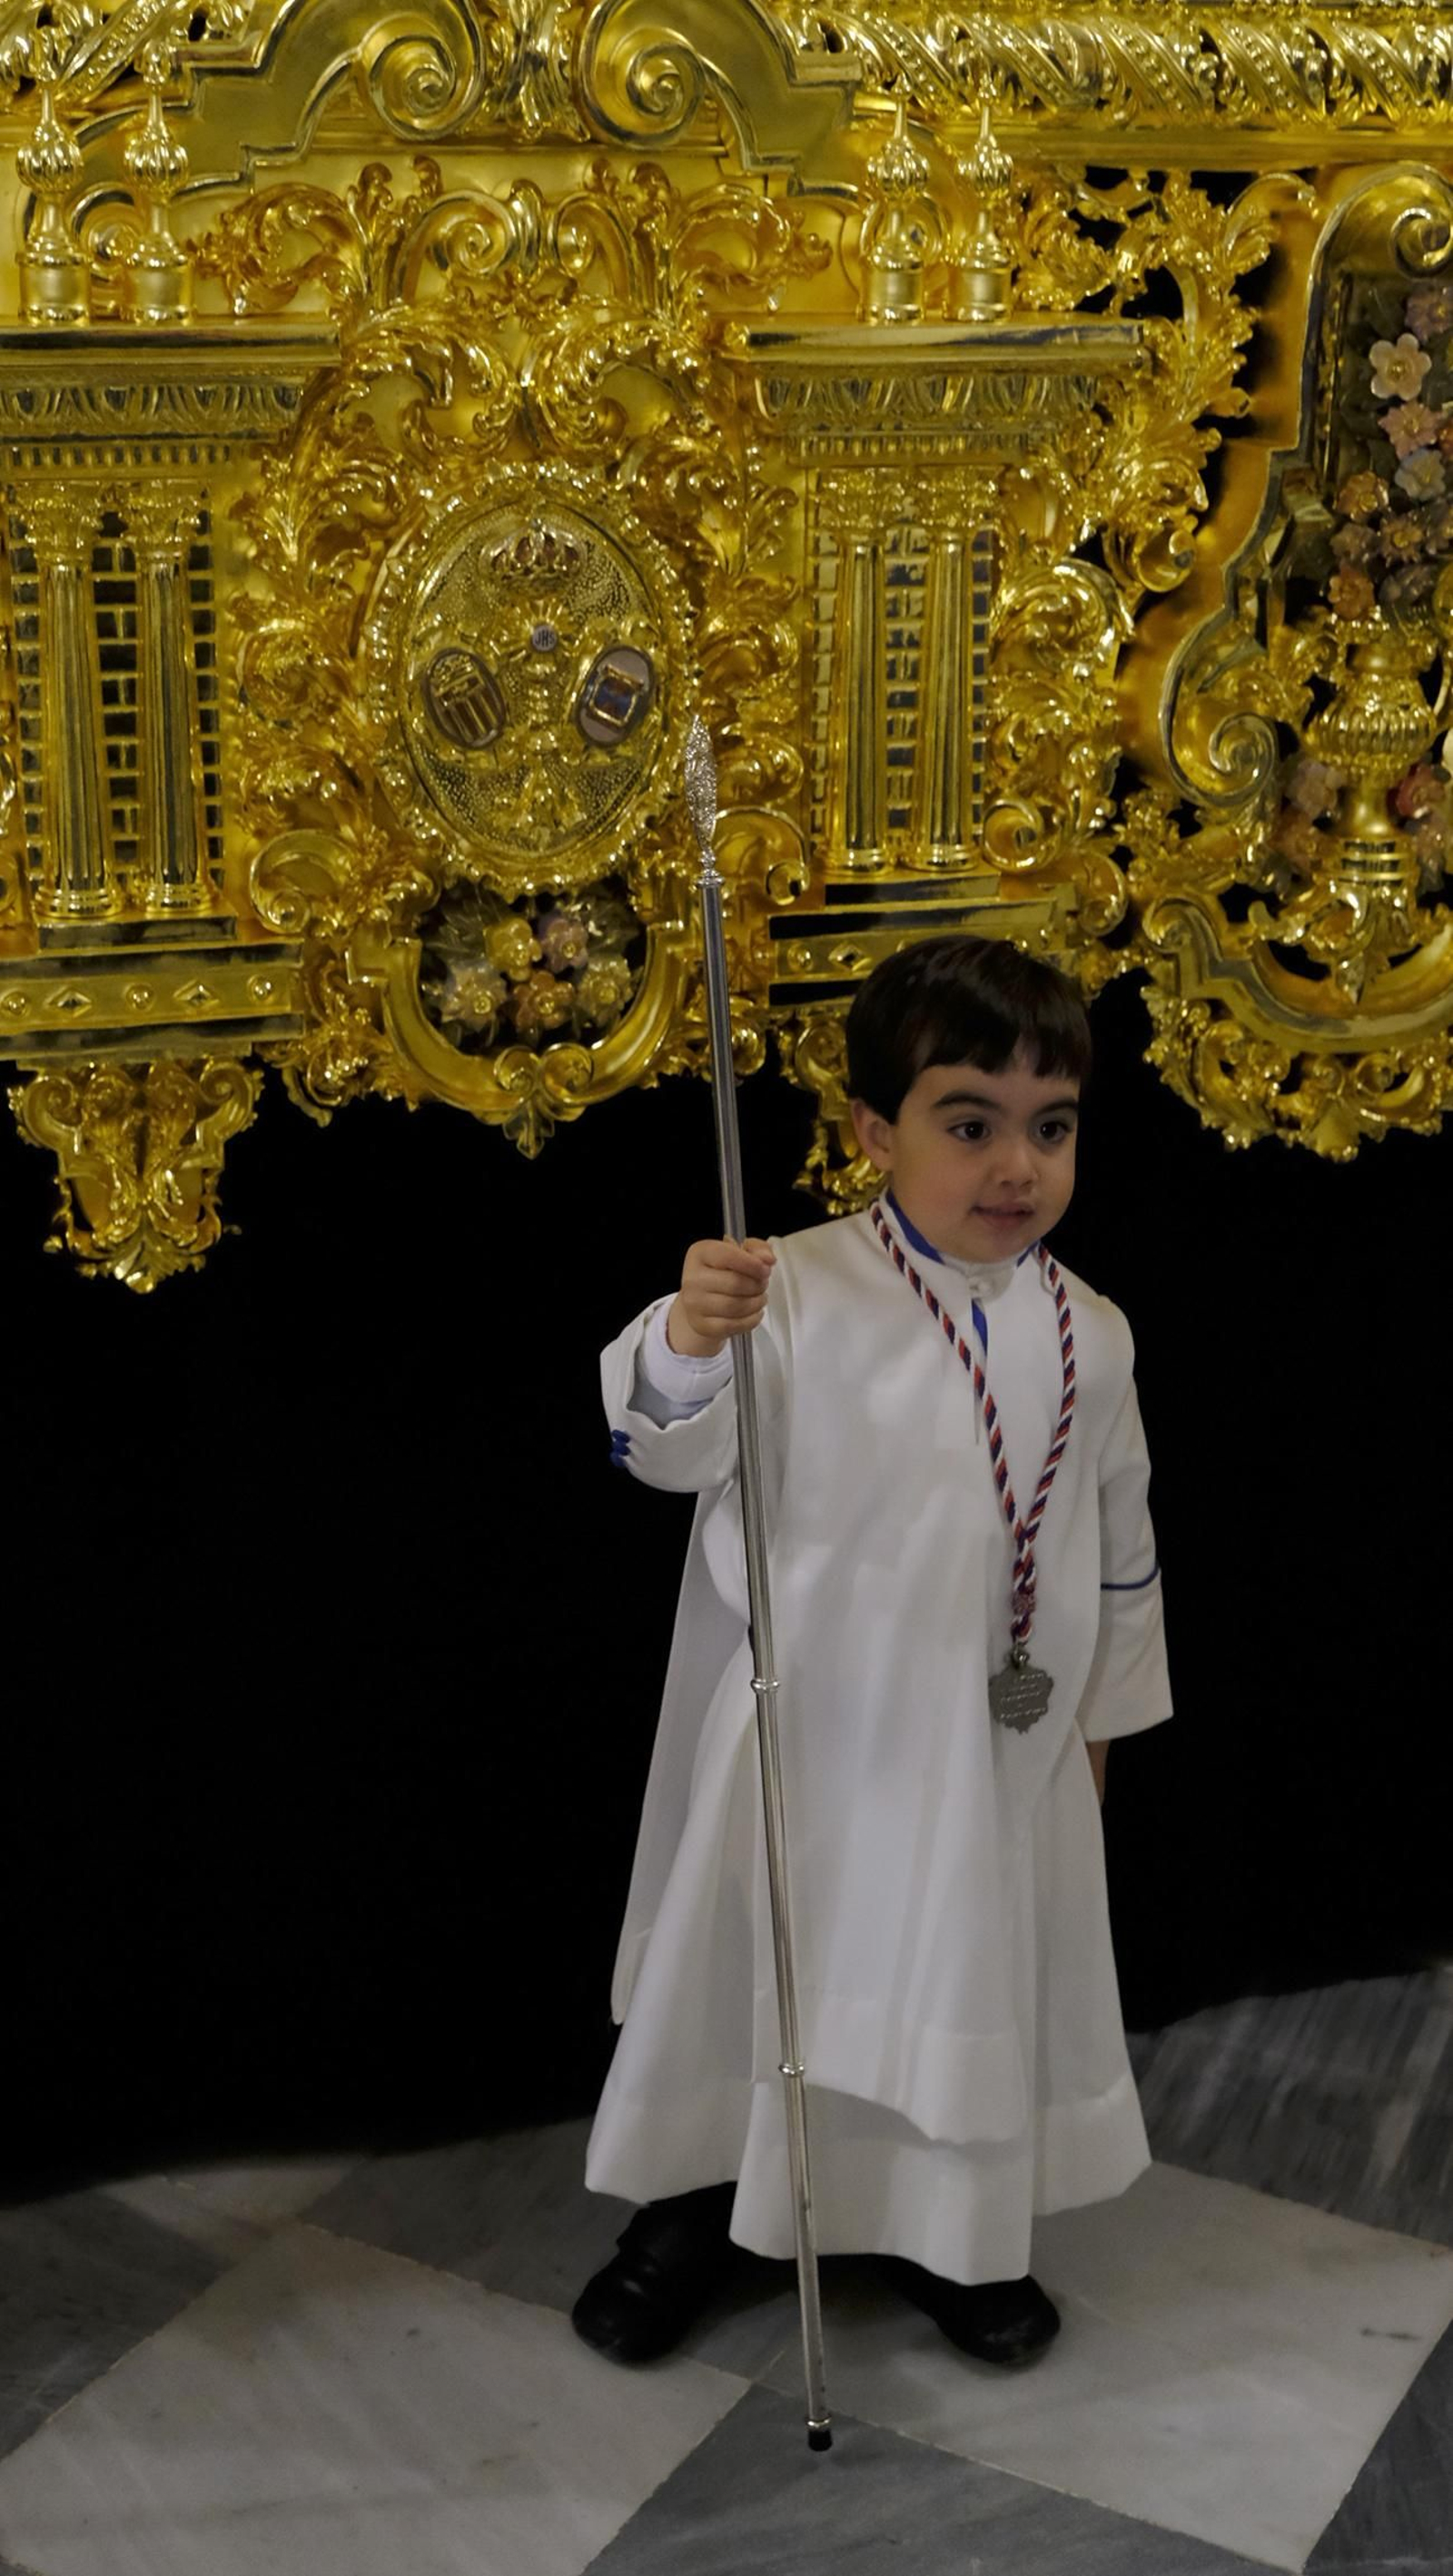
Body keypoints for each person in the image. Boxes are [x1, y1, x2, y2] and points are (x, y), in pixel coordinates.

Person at [573, 933, 1171, 2370]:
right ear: (871, 1133)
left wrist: (1093, 1728)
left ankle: (951, 2233)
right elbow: (664, 1443)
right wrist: (688, 1334)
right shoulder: (792, 1289)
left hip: (990, 1759)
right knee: (771, 1972)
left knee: (957, 1986)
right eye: (968, 1123)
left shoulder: (1093, 1334)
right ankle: (702, 2214)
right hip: (817, 1746)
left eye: (1050, 1126)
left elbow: (1121, 1552)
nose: (1014, 1164)